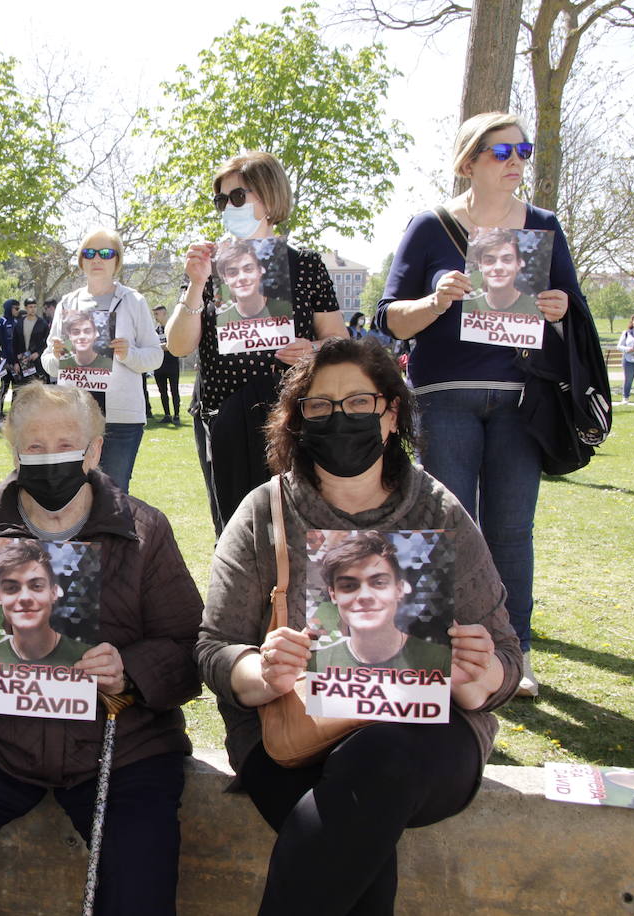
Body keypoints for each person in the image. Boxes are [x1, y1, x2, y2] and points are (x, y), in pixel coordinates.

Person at [196, 337, 521, 915]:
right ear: (298, 422)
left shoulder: (438, 511)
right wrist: (259, 671)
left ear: (391, 414)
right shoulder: (263, 511)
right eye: (319, 406)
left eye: (359, 402)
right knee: (359, 843)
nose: (339, 417)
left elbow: (505, 656)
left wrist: (481, 677)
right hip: (289, 737)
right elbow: (214, 646)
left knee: (377, 758)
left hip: (424, 743)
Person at [0, 382, 203, 916]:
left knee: (138, 884)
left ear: (96, 450)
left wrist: (129, 670)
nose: (50, 457)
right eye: (34, 446)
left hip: (120, 744)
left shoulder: (145, 529)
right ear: (13, 450)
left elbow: (187, 641)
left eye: (67, 443)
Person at [375, 112, 590, 697]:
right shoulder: (431, 226)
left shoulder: (543, 226)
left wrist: (557, 307)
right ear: (469, 161)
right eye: (503, 151)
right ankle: (429, 649)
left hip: (523, 401)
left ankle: (509, 656)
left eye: (524, 149)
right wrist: (435, 300)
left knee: (511, 531)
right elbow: (388, 319)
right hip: (444, 399)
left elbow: (573, 309)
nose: (517, 159)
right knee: (442, 527)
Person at [164, 151, 348, 535]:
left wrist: (314, 350)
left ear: (268, 195)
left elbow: (338, 340)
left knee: (296, 526)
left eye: (237, 196)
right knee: (235, 531)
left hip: (291, 413)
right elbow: (179, 345)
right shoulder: (208, 265)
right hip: (223, 413)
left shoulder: (306, 264)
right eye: (221, 200)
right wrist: (196, 283)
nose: (228, 207)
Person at [42, 229, 165, 494]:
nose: (97, 259)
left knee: (114, 495)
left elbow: (155, 356)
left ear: (117, 261)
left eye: (106, 253)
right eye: (90, 253)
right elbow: (48, 363)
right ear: (81, 260)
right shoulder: (68, 302)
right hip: (75, 418)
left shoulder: (133, 301)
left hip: (122, 419)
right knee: (72, 493)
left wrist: (128, 354)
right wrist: (57, 356)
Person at [310, 531, 452, 670]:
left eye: (379, 583)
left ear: (399, 589)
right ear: (333, 595)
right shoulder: (315, 663)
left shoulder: (442, 661)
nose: (365, 596)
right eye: (348, 586)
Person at [0, 539, 87, 666]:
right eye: (11, 588)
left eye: (36, 586)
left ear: (53, 592)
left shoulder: (88, 659)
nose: (25, 598)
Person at [467, 228, 537, 313]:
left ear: (518, 264)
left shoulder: (536, 310)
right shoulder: (466, 309)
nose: (498, 267)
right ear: (480, 266)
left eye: (507, 259)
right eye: (489, 260)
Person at [151, 305, 182, 423]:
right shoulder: (155, 331)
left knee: (174, 390)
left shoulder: (172, 328)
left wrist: (162, 347)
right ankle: (167, 415)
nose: (155, 317)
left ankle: (177, 415)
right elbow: (153, 346)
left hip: (172, 364)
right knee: (162, 392)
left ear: (164, 313)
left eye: (157, 314)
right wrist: (162, 347)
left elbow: (173, 345)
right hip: (159, 365)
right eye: (154, 314)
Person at [12, 296, 50, 386]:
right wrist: (15, 363)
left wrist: (38, 353)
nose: (33, 309)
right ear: (25, 308)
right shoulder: (19, 324)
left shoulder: (42, 324)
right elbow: (14, 344)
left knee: (38, 388)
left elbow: (48, 343)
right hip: (23, 360)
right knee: (24, 388)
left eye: (34, 307)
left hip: (38, 360)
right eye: (30, 307)